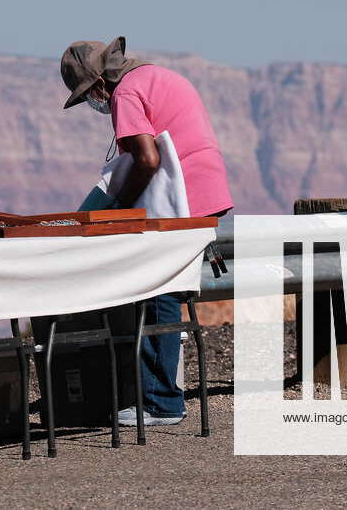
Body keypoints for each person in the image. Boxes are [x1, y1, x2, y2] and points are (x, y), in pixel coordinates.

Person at [60, 36, 233, 425]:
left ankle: (159, 404)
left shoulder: (125, 94)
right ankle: (162, 397)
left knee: (156, 293)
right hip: (203, 193)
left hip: (179, 200)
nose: (95, 102)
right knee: (167, 293)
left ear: (99, 84)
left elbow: (147, 158)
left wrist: (121, 205)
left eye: (89, 95)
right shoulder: (155, 76)